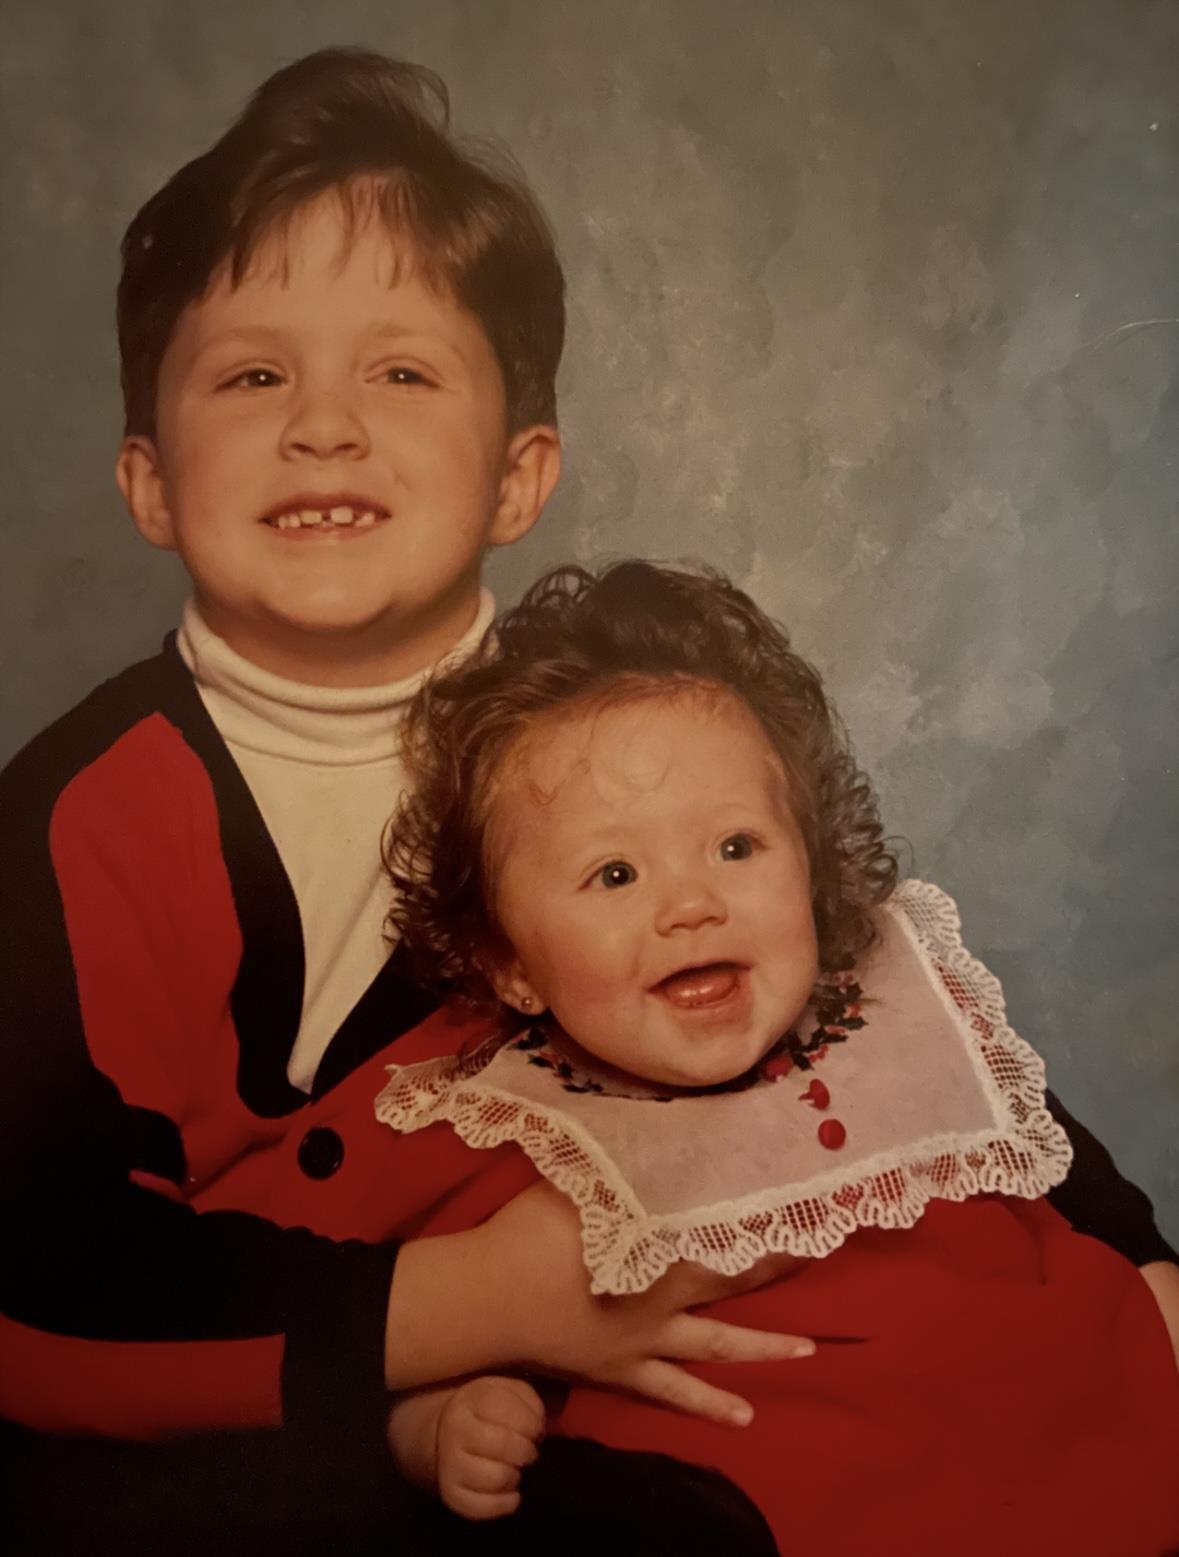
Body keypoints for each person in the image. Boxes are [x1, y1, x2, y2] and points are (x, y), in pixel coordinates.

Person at [0, 49, 800, 1557]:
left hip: (596, 1427)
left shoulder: (633, 731)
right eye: (252, 375)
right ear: (149, 482)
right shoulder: (61, 824)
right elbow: (36, 1272)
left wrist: (1128, 1257)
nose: (323, 426)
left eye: (402, 370)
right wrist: (477, 1303)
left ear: (517, 475)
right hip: (191, 1452)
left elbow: (851, 981)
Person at [376, 559, 1179, 1556]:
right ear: (508, 963)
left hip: (1056, 1407)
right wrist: (447, 1425)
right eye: (616, 873)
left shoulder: (899, 1019)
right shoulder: (521, 1123)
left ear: (809, 856)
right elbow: (415, 1349)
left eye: (737, 847)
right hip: (784, 1489)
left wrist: (1151, 1286)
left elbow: (1072, 1181)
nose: (691, 903)